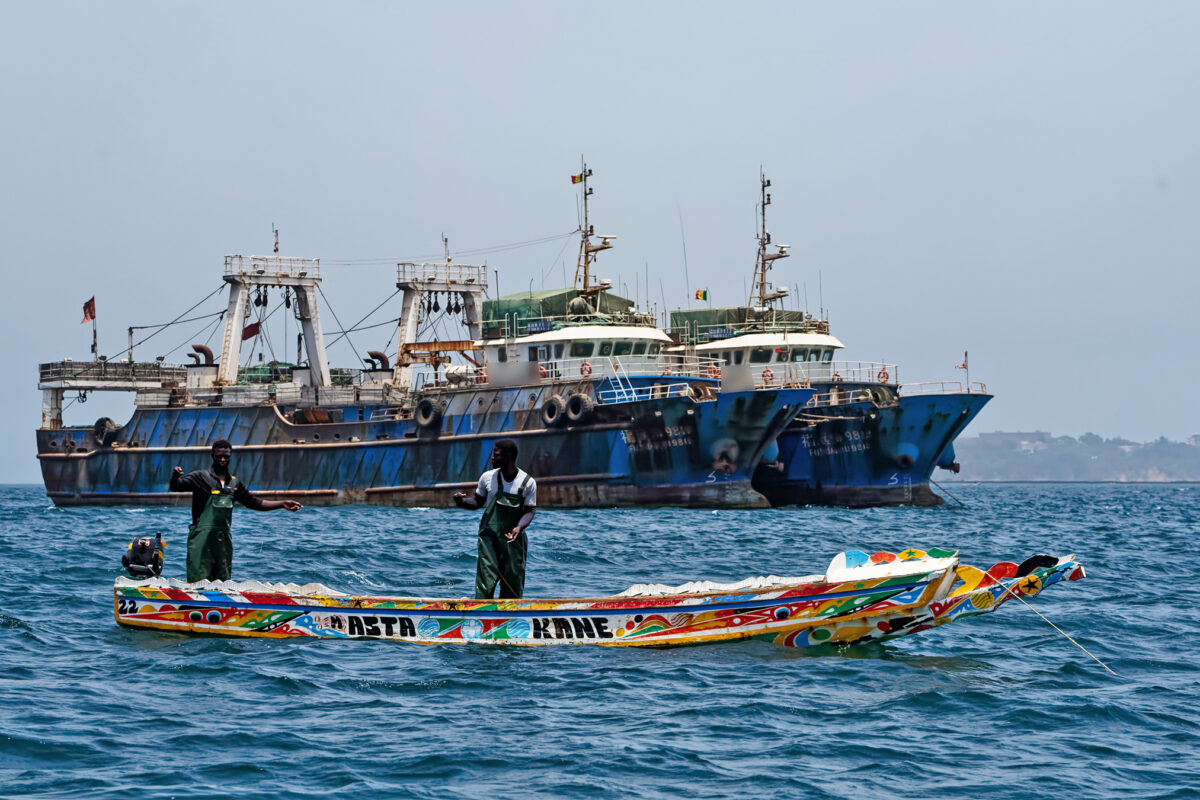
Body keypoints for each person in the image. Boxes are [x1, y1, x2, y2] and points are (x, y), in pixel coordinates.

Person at [170, 439, 302, 583]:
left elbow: (256, 503)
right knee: (198, 581)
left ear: (230, 457)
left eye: (226, 456)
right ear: (212, 455)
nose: (222, 459)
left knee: (223, 583)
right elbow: (176, 486)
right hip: (201, 541)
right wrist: (176, 476)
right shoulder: (200, 477)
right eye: (219, 456)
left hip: (223, 543)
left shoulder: (234, 484)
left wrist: (282, 504)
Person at [453, 438, 536, 599]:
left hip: (513, 539)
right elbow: (477, 502)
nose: (492, 458)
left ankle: (509, 618)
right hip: (489, 537)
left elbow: (530, 511)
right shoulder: (487, 478)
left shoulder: (527, 482)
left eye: (496, 455)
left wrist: (519, 527)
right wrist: (461, 501)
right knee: (486, 577)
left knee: (512, 582)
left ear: (509, 456)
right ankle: (482, 612)